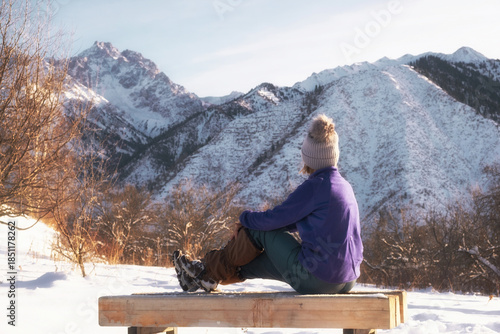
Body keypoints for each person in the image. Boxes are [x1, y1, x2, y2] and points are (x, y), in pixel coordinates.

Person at [173, 113, 363, 294]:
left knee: (258, 230)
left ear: (309, 157)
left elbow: (273, 220)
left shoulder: (316, 187)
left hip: (316, 279)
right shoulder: (344, 187)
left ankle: (205, 271)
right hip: (346, 279)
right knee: (255, 264)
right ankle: (205, 275)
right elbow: (293, 222)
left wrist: (244, 219)